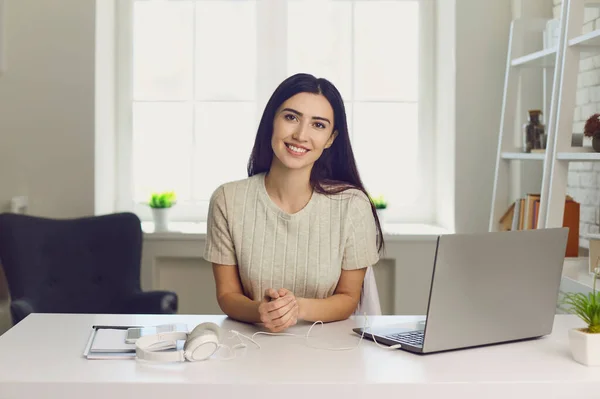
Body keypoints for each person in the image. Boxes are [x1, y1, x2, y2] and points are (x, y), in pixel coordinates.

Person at [203, 73, 384, 333]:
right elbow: (228, 295)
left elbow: (348, 298)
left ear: (331, 139)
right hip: (251, 348)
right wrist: (261, 311)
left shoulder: (353, 205)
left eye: (318, 125)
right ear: (271, 122)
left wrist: (297, 308)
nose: (301, 134)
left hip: (330, 351)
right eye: (291, 117)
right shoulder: (227, 200)